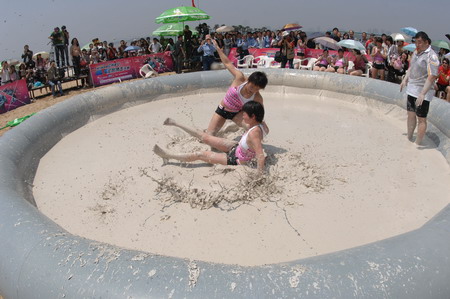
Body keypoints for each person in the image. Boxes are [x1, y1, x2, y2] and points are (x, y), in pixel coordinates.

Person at [153, 101, 267, 174]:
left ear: (253, 116)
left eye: (245, 114)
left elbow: (260, 155)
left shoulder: (254, 134)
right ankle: (175, 123)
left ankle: (167, 155)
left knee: (200, 154)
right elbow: (264, 131)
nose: (242, 115)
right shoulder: (261, 125)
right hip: (236, 147)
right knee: (205, 137)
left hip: (235, 160)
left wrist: (259, 176)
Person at [205, 39, 268, 136]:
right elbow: (227, 63)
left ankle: (244, 137)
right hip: (222, 110)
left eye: (256, 89)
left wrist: (262, 124)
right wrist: (217, 47)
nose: (253, 90)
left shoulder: (258, 97)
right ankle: (229, 126)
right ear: (248, 81)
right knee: (209, 135)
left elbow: (260, 114)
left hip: (237, 114)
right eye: (251, 86)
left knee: (252, 129)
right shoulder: (240, 78)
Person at [400, 31, 439, 145]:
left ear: (427, 42)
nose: (417, 45)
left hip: (423, 91)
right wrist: (405, 79)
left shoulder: (431, 56)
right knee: (410, 114)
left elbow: (432, 76)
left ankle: (417, 144)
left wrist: (422, 93)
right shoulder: (416, 52)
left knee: (421, 118)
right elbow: (411, 67)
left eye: (420, 42)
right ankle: (409, 138)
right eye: (416, 42)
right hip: (412, 88)